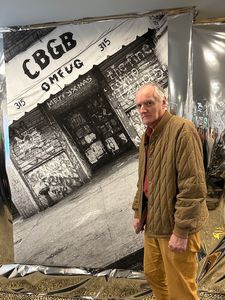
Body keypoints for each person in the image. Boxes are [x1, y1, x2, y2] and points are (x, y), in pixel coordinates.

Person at [132, 83, 209, 300]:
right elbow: (143, 180)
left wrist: (181, 231)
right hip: (153, 224)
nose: (142, 110)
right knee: (154, 275)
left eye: (148, 103)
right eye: (139, 106)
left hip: (175, 227)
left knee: (180, 289)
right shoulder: (147, 136)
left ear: (163, 102)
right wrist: (138, 211)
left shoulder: (182, 129)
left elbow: (192, 186)